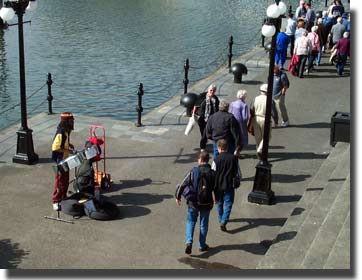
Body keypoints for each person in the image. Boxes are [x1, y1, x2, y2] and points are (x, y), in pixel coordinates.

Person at [175, 151, 216, 255]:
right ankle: (202, 245)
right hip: (207, 203)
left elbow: (183, 184)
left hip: (193, 202)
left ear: (200, 160)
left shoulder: (194, 171)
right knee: (204, 224)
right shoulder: (212, 173)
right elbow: (216, 188)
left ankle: (189, 242)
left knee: (191, 221)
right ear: (207, 160)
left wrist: (178, 196)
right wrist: (217, 198)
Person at [212, 139, 240, 232]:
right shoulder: (233, 158)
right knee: (228, 203)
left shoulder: (216, 159)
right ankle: (224, 220)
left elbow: (213, 173)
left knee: (219, 203)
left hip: (219, 185)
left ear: (219, 148)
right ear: (227, 148)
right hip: (229, 184)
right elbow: (238, 172)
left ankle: (221, 218)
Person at [51, 112, 75, 210]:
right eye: (71, 121)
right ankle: (55, 200)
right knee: (59, 180)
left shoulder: (67, 130)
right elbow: (55, 147)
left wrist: (69, 144)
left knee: (65, 179)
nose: (73, 122)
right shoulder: (61, 132)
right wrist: (68, 150)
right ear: (66, 122)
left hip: (65, 158)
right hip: (60, 159)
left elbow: (63, 143)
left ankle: (63, 196)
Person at [193, 84, 219, 149]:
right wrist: (193, 113)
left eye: (213, 91)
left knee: (205, 134)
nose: (212, 92)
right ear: (208, 90)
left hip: (211, 119)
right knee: (203, 132)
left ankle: (202, 148)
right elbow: (196, 104)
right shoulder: (202, 96)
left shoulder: (215, 99)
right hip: (202, 118)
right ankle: (204, 140)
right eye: (211, 90)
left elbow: (217, 108)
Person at [251, 84, 272, 158]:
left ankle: (259, 155)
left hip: (256, 118)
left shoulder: (256, 98)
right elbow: (274, 111)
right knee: (267, 136)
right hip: (265, 119)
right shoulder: (269, 99)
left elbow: (251, 109)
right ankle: (260, 150)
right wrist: (276, 120)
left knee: (258, 137)